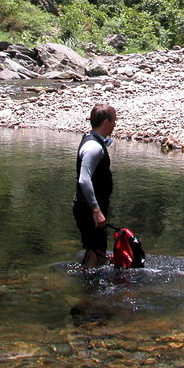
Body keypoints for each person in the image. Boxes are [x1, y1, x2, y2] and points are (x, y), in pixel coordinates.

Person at [73, 103, 116, 267]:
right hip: (89, 208)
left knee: (96, 250)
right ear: (106, 122)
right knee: (97, 252)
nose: (115, 125)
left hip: (90, 206)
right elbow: (84, 179)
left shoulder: (94, 141)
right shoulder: (93, 147)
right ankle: (89, 288)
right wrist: (96, 210)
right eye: (114, 121)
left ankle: (89, 285)